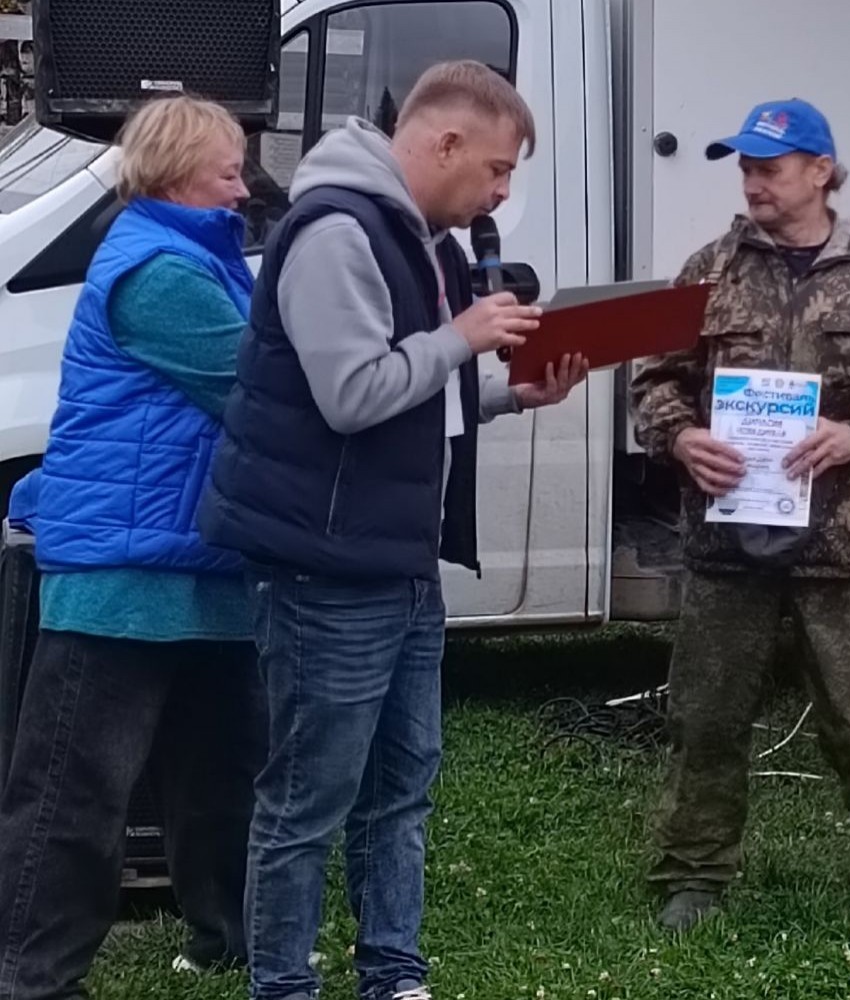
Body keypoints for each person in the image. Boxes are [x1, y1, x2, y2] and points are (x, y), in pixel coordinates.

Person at [195, 61, 586, 1000]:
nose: (502, 195)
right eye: (497, 169)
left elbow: (424, 391)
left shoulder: (423, 239)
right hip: (322, 564)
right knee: (309, 796)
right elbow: (354, 393)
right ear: (444, 142)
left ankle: (393, 974)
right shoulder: (336, 232)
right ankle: (282, 984)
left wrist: (511, 392)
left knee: (403, 785)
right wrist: (463, 337)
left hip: (400, 557)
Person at [630, 98, 850, 941]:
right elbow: (653, 381)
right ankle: (693, 874)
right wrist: (681, 436)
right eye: (745, 169)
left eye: (769, 169)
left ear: (821, 172)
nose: (753, 184)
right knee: (705, 718)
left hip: (846, 549)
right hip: (728, 546)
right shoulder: (708, 271)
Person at [0, 95, 267, 998]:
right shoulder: (160, 272)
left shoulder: (199, 257)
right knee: (74, 793)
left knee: (220, 779)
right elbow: (256, 386)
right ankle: (30, 974)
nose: (245, 187)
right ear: (178, 174)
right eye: (229, 170)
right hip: (121, 575)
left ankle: (227, 939)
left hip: (197, 564)